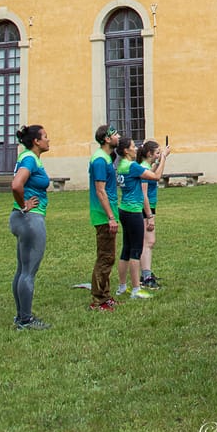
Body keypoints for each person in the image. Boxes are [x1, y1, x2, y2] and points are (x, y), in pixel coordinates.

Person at [115, 136, 169, 299]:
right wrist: (164, 158)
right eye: (133, 146)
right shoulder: (133, 166)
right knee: (135, 250)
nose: (136, 148)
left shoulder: (121, 166)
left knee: (126, 249)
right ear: (126, 151)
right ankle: (136, 289)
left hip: (123, 209)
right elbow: (156, 176)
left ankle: (122, 286)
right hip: (134, 211)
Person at [10, 124, 52, 330]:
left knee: (22, 270)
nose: (48, 140)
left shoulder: (27, 157)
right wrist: (23, 205)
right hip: (30, 219)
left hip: (20, 219)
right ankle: (25, 320)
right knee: (28, 272)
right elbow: (17, 185)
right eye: (45, 137)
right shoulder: (29, 159)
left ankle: (21, 316)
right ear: (36, 141)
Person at [88, 123, 121, 312]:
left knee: (108, 257)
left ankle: (105, 296)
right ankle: (98, 300)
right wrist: (110, 216)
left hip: (108, 214)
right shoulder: (100, 160)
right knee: (105, 257)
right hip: (103, 216)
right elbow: (100, 191)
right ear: (107, 139)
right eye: (115, 134)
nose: (119, 136)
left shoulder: (106, 158)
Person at [137, 139, 168, 289]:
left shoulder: (146, 166)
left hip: (149, 208)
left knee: (149, 242)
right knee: (147, 243)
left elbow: (155, 172)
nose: (158, 155)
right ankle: (146, 277)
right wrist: (149, 216)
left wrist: (161, 160)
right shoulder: (143, 167)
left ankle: (146, 273)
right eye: (156, 153)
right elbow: (143, 194)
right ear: (149, 154)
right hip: (146, 209)